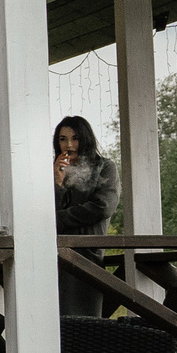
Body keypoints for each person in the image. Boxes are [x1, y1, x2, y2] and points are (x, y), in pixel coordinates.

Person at [55, 115, 120, 316]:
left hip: (86, 257)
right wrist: (57, 183)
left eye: (75, 138)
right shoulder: (56, 170)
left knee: (84, 325)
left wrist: (58, 219)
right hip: (51, 258)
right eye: (63, 139)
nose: (69, 145)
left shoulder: (104, 167)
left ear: (86, 139)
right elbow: (38, 212)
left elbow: (102, 207)